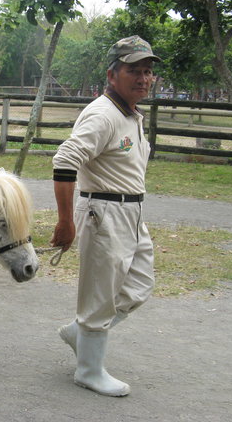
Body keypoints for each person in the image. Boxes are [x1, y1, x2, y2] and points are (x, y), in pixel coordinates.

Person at [50, 35, 160, 397]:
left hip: (131, 211)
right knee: (99, 296)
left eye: (147, 71)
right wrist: (66, 221)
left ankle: (78, 332)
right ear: (112, 75)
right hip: (104, 211)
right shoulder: (103, 114)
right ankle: (89, 370)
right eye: (133, 71)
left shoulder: (129, 113)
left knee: (139, 285)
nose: (143, 78)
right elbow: (65, 161)